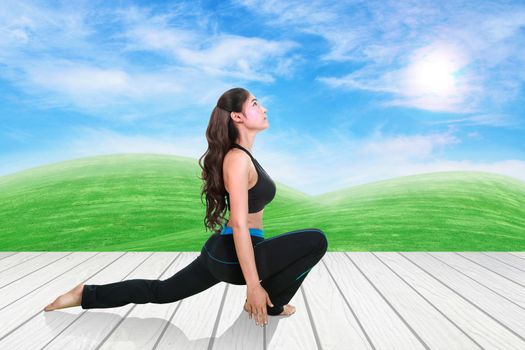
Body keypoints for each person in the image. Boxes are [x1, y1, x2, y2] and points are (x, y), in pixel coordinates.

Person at [43, 87, 328, 328]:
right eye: (255, 103)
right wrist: (254, 286)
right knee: (316, 240)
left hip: (222, 250)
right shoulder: (238, 160)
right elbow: (240, 223)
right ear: (238, 117)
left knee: (163, 291)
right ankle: (272, 305)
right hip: (234, 255)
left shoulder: (241, 156)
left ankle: (85, 294)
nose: (263, 107)